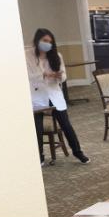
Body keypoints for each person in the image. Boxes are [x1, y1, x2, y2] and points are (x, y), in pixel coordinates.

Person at [27, 28, 88, 166]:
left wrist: (60, 76)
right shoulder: (27, 55)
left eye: (50, 41)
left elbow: (64, 75)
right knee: (37, 128)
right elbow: (27, 76)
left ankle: (78, 152)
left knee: (66, 125)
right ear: (37, 41)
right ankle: (40, 156)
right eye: (45, 41)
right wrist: (44, 75)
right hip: (36, 95)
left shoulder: (56, 55)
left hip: (54, 93)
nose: (47, 44)